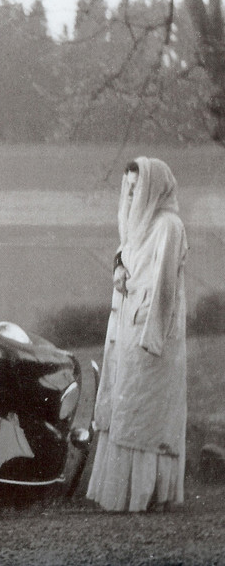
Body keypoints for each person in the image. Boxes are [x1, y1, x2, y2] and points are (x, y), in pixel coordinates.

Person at [86, 157, 188, 513]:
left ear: (153, 188)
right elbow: (124, 250)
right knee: (125, 402)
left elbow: (164, 286)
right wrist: (117, 267)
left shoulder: (168, 226)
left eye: (137, 188)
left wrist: (153, 337)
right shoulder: (138, 224)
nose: (130, 195)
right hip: (126, 329)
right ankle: (121, 489)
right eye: (127, 188)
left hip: (151, 335)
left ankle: (147, 492)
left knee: (147, 410)